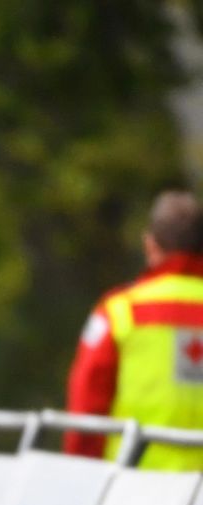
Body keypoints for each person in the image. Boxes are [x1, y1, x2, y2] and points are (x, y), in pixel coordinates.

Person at [65, 189, 203, 470]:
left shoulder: (119, 311)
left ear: (150, 244)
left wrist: (80, 475)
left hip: (135, 482)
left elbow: (87, 406)